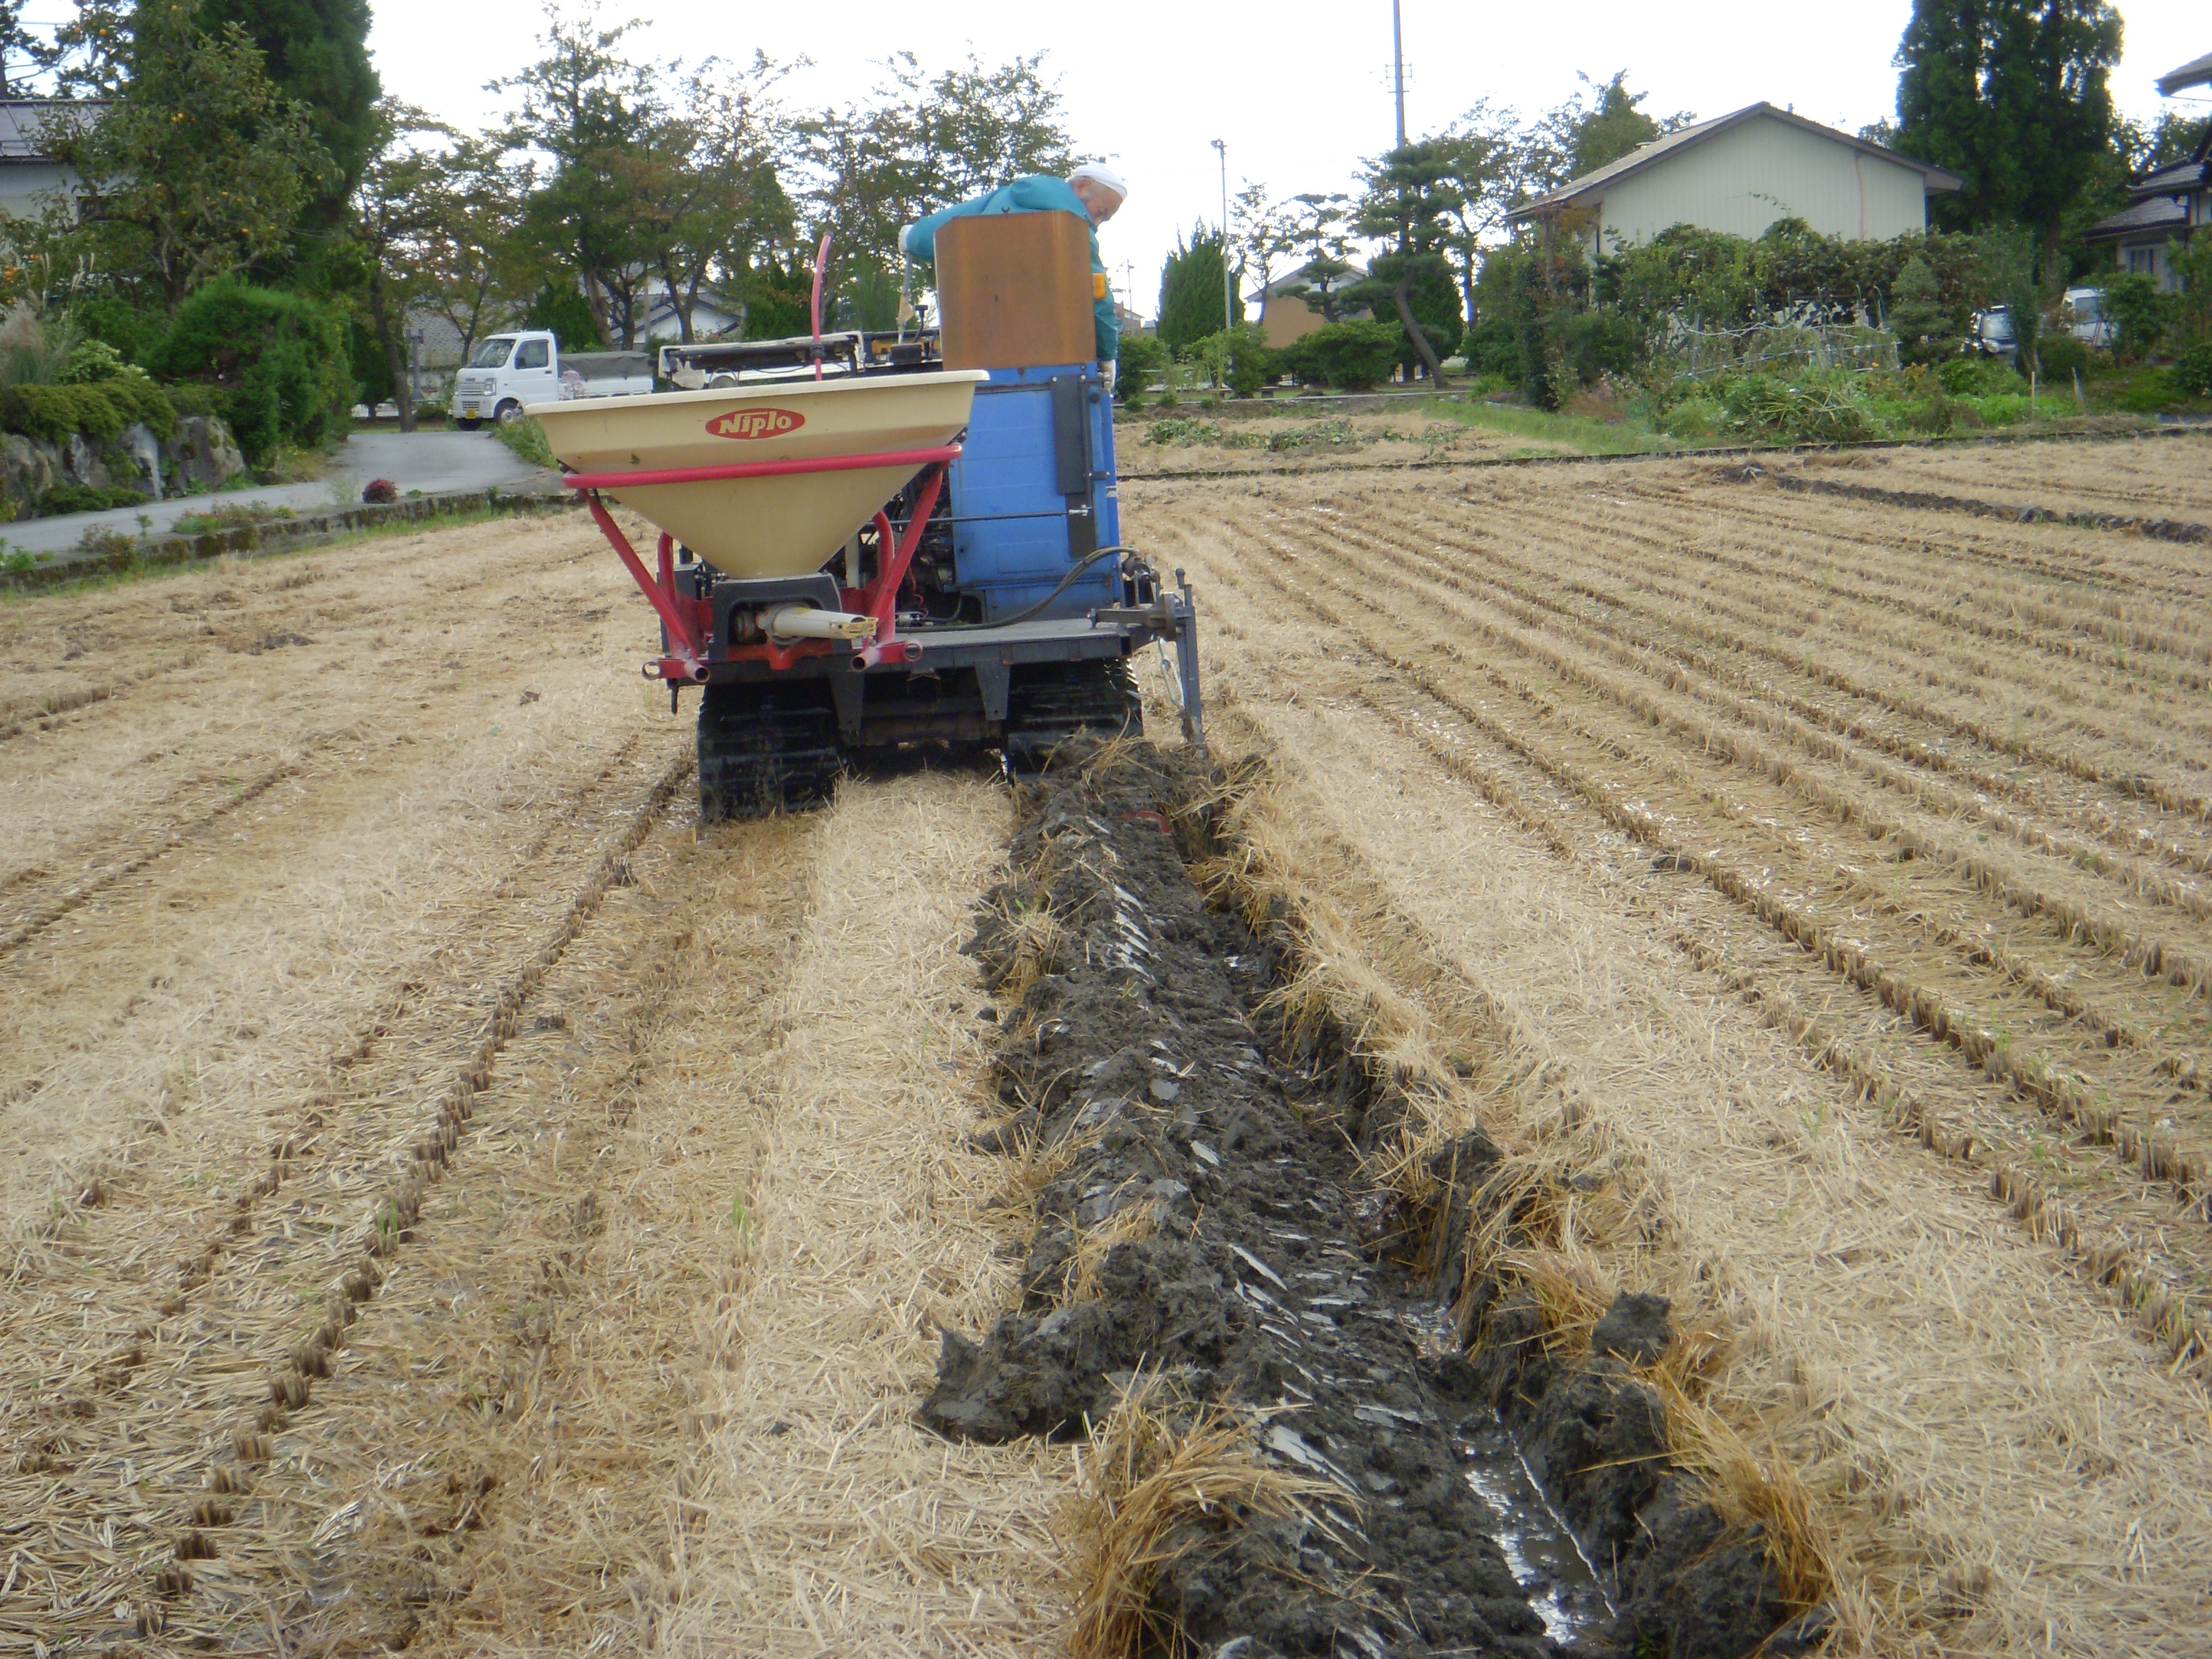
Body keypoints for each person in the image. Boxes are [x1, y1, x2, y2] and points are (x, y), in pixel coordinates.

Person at [902, 164, 1128, 361]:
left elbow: (932, 234)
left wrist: (911, 236)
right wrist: (1108, 354)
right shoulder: (1077, 232)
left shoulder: (1003, 197)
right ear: (1082, 186)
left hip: (975, 350)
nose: (1097, 223)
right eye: (1100, 213)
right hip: (1051, 355)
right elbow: (1098, 301)